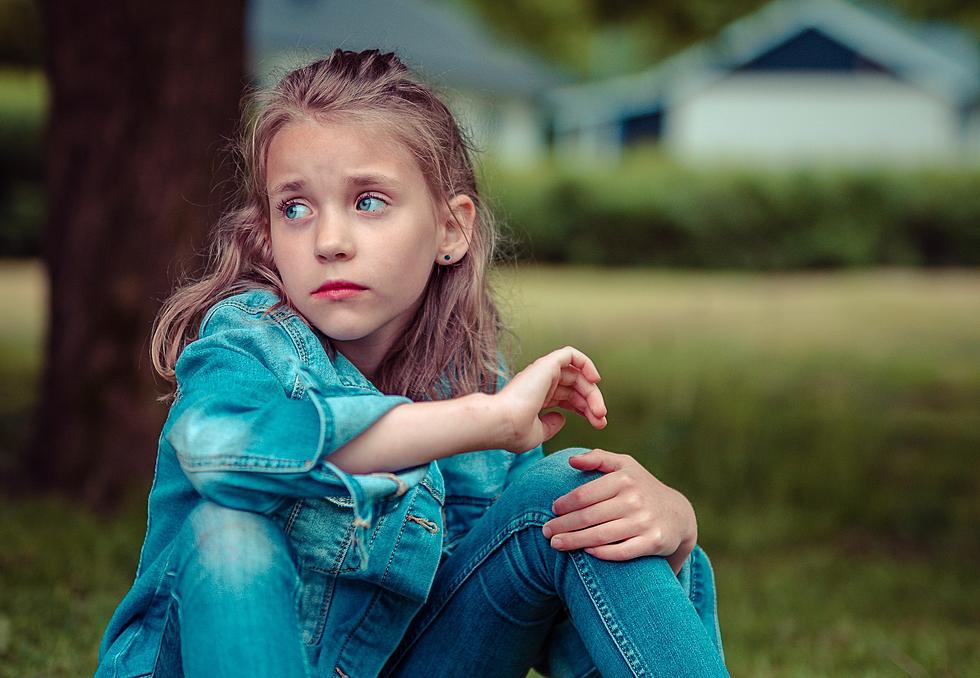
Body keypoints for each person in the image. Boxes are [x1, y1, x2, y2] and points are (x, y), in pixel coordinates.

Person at [94, 48, 728, 678]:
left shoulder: (476, 385)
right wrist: (482, 420)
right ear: (266, 236)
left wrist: (676, 536)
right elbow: (216, 455)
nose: (329, 241)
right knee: (229, 535)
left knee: (574, 501)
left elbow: (569, 642)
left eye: (369, 201)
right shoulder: (247, 341)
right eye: (295, 208)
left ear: (450, 230)